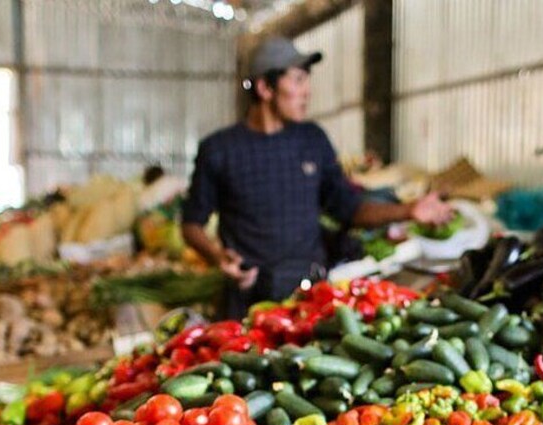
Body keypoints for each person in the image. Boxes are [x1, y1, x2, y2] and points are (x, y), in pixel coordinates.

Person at [182, 36, 452, 319]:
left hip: (310, 296)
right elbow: (191, 224)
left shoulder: (312, 140)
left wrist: (409, 210)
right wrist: (218, 256)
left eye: (307, 80)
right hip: (247, 299)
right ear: (264, 87)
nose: (307, 91)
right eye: (298, 80)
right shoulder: (220, 150)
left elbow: (349, 208)